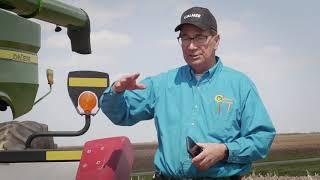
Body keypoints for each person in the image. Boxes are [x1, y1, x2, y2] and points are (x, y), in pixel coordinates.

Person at [100, 6, 276, 180]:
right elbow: (122, 114)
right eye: (185, 37)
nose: (191, 46)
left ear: (216, 40)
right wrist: (117, 91)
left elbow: (261, 138)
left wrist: (224, 151)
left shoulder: (239, 84)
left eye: (200, 37)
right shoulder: (162, 84)